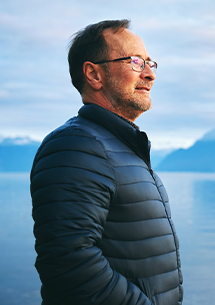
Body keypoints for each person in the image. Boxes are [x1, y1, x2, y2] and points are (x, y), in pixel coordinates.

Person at [30, 19, 183, 305]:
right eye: (136, 62)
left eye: (151, 63)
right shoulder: (76, 147)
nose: (150, 74)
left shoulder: (121, 148)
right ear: (94, 74)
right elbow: (69, 265)